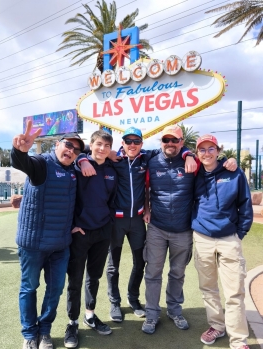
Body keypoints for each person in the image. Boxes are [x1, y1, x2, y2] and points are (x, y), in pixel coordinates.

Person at [79, 126, 197, 323]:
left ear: (141, 144)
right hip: (116, 220)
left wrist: (189, 154)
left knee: (140, 262)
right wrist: (82, 159)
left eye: (136, 142)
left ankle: (133, 298)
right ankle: (114, 302)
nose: (132, 145)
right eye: (128, 141)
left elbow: (172, 149)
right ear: (122, 143)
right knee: (112, 265)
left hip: (138, 221)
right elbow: (83, 152)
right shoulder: (113, 160)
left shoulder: (147, 158)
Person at [142, 125, 237, 335]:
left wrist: (231, 161)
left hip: (183, 230)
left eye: (174, 140)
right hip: (156, 228)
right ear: (161, 142)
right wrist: (147, 208)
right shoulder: (151, 161)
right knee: (153, 273)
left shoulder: (194, 164)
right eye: (166, 140)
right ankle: (152, 314)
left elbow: (214, 165)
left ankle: (174, 310)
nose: (170, 144)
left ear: (182, 142)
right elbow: (146, 188)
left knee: (177, 273)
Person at [11, 121, 84, 349]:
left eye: (76, 150)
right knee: (29, 288)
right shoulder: (42, 164)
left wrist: (73, 223)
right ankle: (30, 336)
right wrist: (21, 151)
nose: (71, 151)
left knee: (54, 291)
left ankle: (45, 331)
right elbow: (24, 163)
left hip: (60, 245)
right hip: (33, 245)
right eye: (68, 145)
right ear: (56, 144)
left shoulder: (74, 171)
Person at [192, 134, 260, 349]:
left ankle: (238, 339)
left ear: (218, 151)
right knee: (208, 288)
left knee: (234, 292)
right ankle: (217, 326)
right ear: (197, 152)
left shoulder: (233, 172)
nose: (207, 153)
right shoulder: (194, 172)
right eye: (202, 149)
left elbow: (245, 204)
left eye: (211, 149)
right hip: (201, 238)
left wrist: (239, 233)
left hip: (229, 238)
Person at [64, 130, 117, 349]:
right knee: (75, 279)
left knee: (93, 277)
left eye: (106, 145)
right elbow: (68, 196)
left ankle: (90, 315)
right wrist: (73, 225)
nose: (102, 149)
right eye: (98, 144)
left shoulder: (113, 170)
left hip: (102, 232)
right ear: (91, 145)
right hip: (81, 233)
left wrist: (108, 224)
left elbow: (112, 200)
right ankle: (72, 322)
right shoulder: (78, 165)